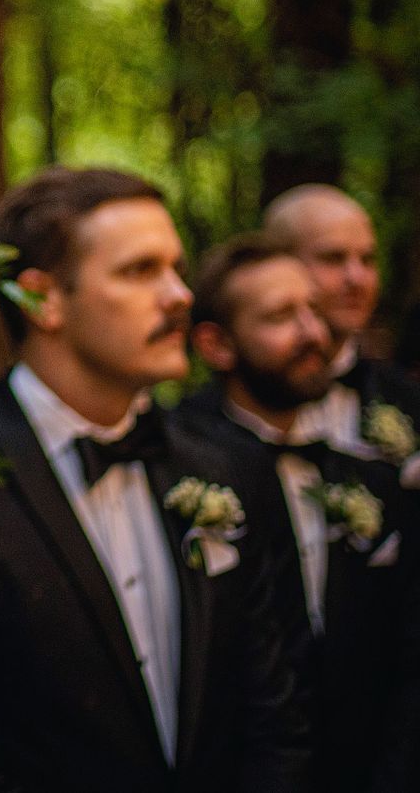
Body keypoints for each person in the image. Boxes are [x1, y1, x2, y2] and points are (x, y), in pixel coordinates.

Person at [0, 167, 309, 793]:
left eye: (176, 268)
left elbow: (279, 717)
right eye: (140, 270)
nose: (179, 295)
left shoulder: (229, 467)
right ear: (42, 300)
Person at [178, 233, 420, 793]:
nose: (315, 333)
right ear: (216, 345)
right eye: (281, 316)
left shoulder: (375, 479)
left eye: (313, 309)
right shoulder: (176, 474)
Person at [265, 184, 420, 480]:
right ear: (278, 264)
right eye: (333, 258)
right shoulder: (211, 417)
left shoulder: (409, 399)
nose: (357, 278)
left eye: (368, 260)